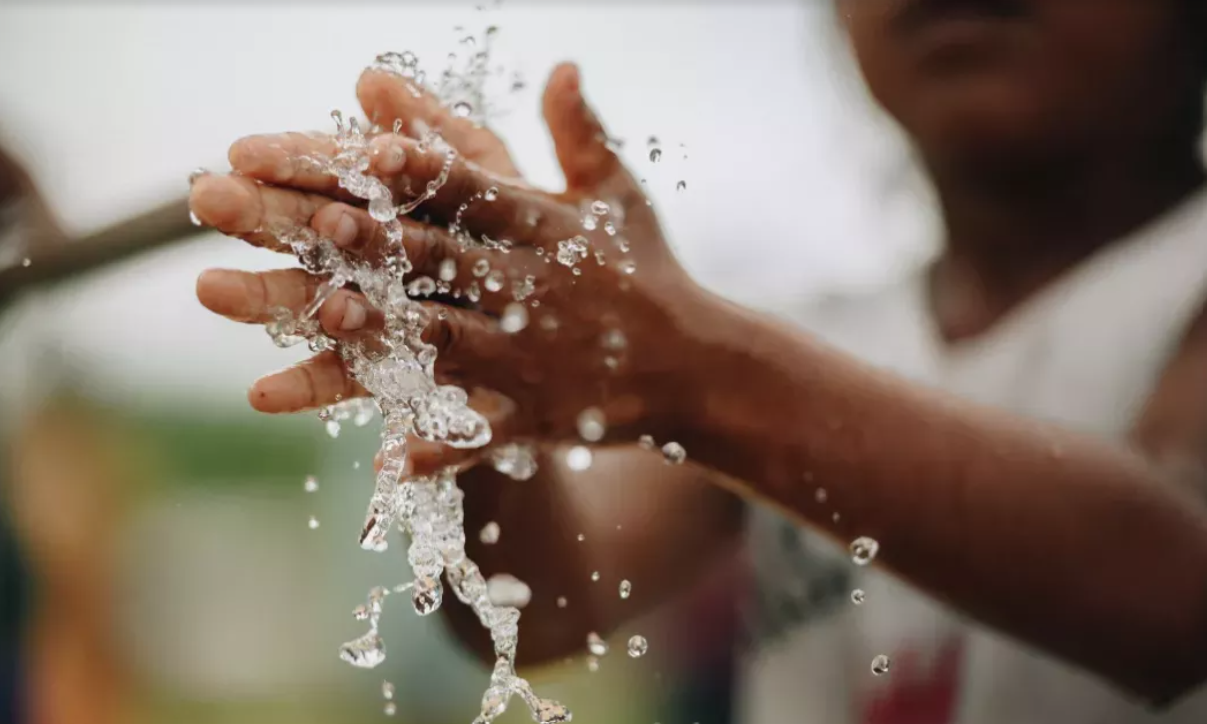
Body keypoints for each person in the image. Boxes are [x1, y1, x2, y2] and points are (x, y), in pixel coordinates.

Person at [188, 0, 1207, 720]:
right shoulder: (826, 339)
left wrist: (689, 370)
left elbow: (1177, 586)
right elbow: (544, 600)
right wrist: (470, 376)